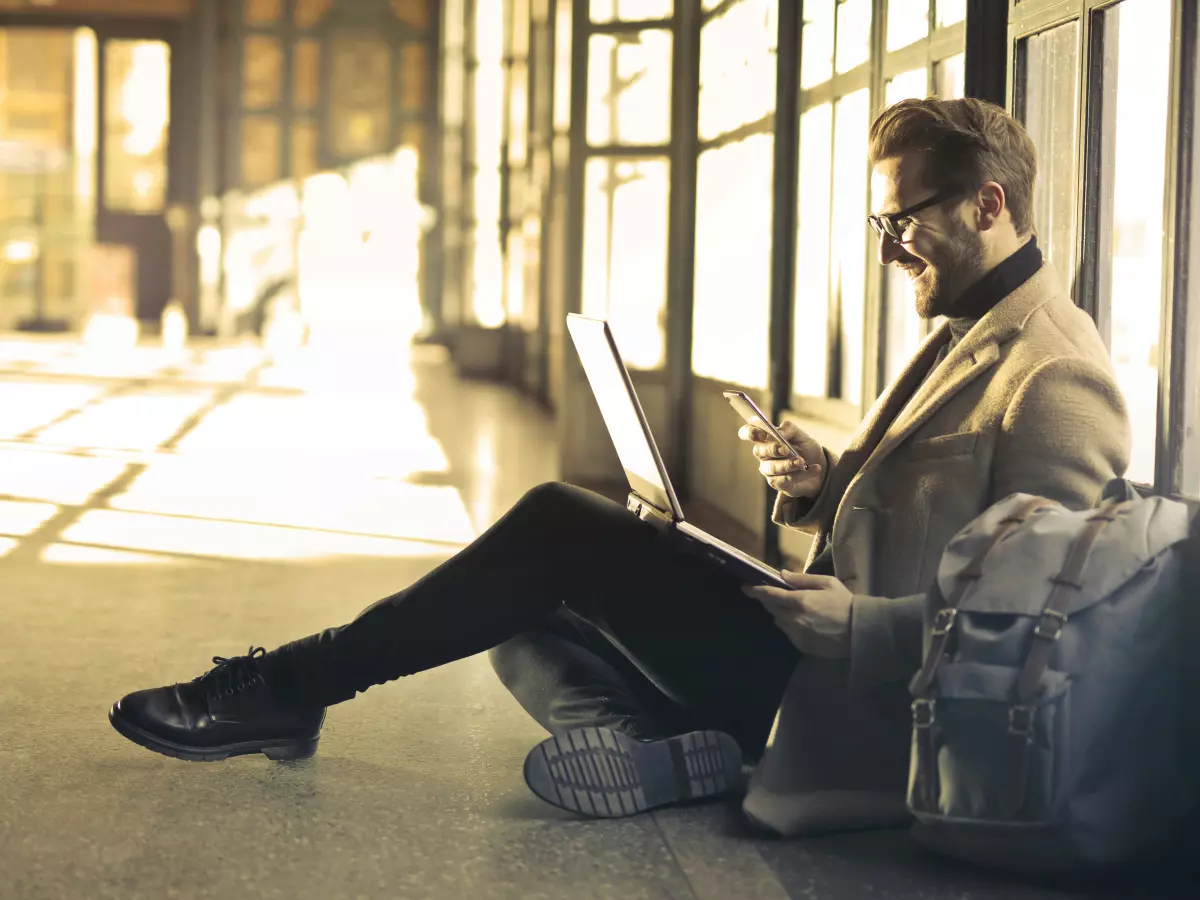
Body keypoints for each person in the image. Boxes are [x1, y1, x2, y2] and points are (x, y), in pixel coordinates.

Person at [109, 98, 1130, 823]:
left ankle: (291, 686)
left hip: (857, 698)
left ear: (988, 206)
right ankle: (658, 748)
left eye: (902, 221)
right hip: (806, 651)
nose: (887, 249)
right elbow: (934, 525)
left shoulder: (1055, 378)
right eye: (880, 223)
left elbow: (1047, 635)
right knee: (510, 610)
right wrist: (824, 487)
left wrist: (860, 626)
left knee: (554, 527)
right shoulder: (964, 325)